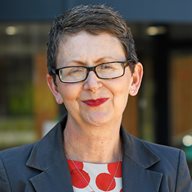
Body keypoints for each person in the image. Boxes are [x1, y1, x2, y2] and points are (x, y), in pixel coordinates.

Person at [0, 4, 191, 192]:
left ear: (134, 78)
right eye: (75, 70)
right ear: (54, 87)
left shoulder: (171, 170)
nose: (92, 84)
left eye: (107, 66)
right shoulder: (10, 173)